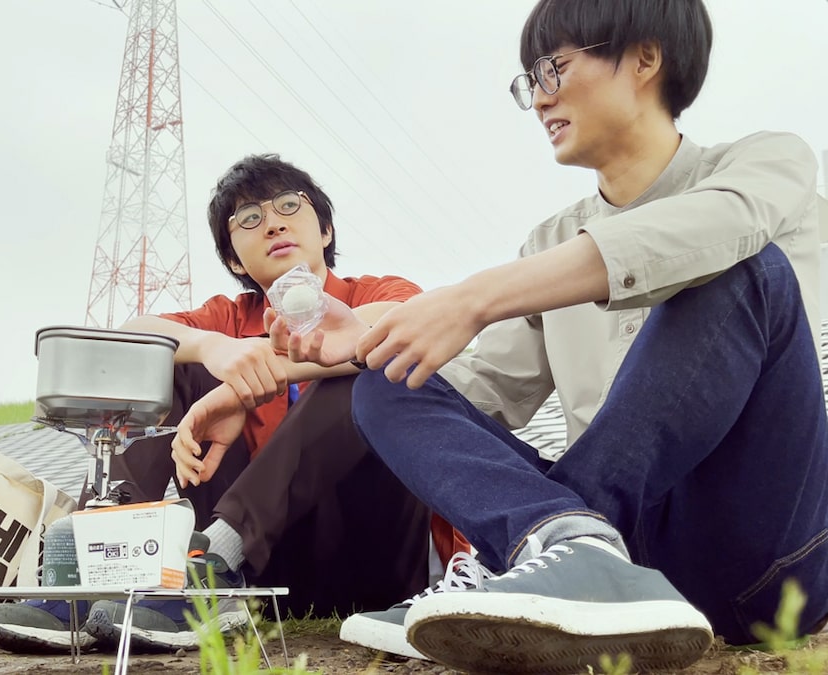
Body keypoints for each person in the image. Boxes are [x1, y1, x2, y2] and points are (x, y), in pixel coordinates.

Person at [270, 0, 828, 672]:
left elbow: (713, 229)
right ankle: (567, 541)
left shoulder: (766, 166)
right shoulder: (548, 242)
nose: (539, 99)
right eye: (529, 82)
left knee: (742, 265)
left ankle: (558, 543)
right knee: (388, 385)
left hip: (761, 558)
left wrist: (475, 297)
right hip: (620, 555)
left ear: (646, 57)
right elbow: (485, 394)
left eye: (553, 69)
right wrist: (365, 342)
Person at [0, 154, 468, 654]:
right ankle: (101, 572)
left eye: (288, 205)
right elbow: (132, 336)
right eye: (249, 218)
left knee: (372, 363)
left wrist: (247, 383)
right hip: (249, 572)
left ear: (324, 230)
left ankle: (220, 551)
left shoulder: (374, 292)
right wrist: (213, 349)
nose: (272, 222)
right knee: (163, 364)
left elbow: (401, 320)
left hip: (365, 552)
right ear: (235, 259)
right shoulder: (228, 319)